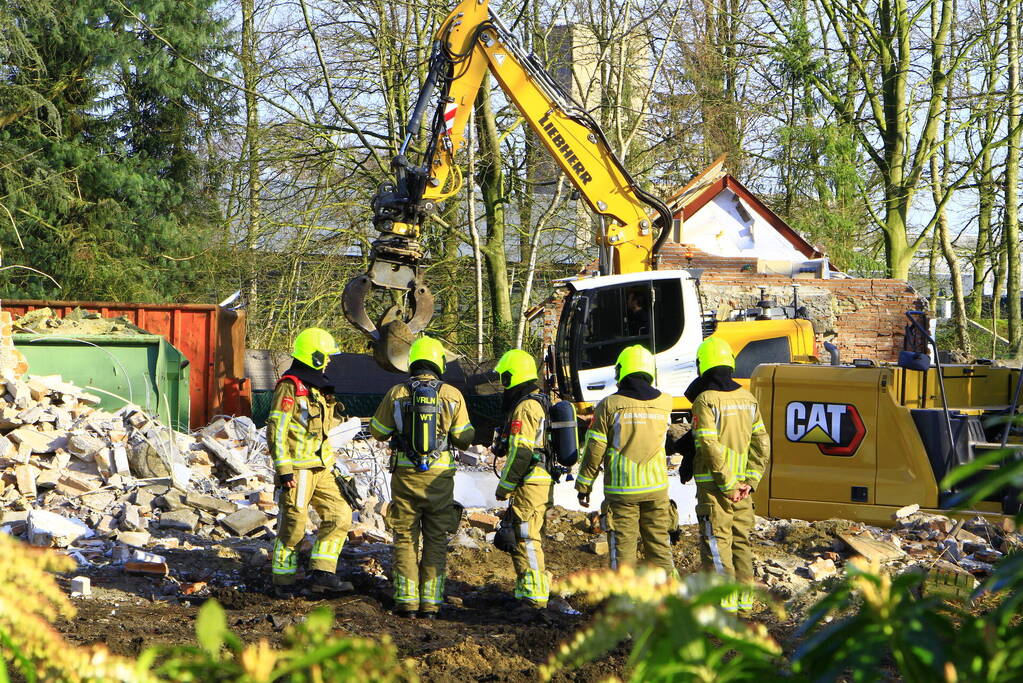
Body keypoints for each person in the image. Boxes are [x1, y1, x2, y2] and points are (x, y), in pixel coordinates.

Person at [369, 336, 474, 618]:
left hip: (405, 477)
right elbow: (464, 438)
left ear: (412, 362)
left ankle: (407, 601)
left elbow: (378, 431)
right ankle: (431, 603)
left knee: (405, 537)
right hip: (439, 479)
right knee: (436, 538)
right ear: (439, 362)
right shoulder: (452, 394)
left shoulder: (396, 393)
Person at [686, 336, 770, 615]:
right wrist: (750, 481)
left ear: (703, 365)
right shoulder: (748, 398)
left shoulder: (705, 400)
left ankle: (724, 608)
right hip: (743, 490)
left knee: (716, 544)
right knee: (740, 543)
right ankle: (744, 605)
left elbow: (708, 444)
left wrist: (728, 484)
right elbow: (762, 442)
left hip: (716, 488)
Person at [575, 344, 676, 575]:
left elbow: (595, 449)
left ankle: (626, 597)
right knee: (660, 549)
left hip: (622, 492)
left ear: (620, 371)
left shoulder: (609, 405)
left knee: (623, 554)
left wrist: (584, 486)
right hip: (657, 490)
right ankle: (668, 594)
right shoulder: (665, 402)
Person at [267, 327, 352, 597]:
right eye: (326, 355)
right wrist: (284, 470)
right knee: (294, 524)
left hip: (322, 467)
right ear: (313, 356)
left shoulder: (319, 387)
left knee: (340, 515)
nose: (329, 361)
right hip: (298, 469)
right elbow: (276, 430)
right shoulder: (290, 386)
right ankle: (283, 582)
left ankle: (323, 573)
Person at [493, 348, 553, 609]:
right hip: (537, 479)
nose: (502, 384)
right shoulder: (538, 401)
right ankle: (526, 592)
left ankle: (534, 597)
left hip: (530, 481)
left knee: (526, 537)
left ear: (513, 376)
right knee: (523, 535)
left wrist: (504, 486)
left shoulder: (526, 407)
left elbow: (521, 452)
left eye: (504, 378)